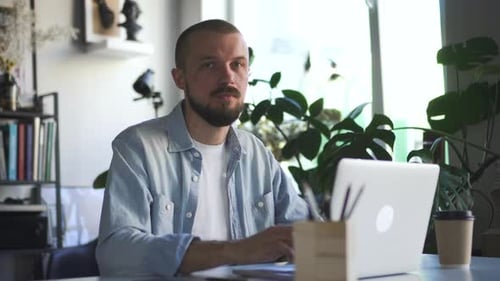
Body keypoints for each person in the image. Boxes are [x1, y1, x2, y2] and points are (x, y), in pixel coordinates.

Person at [96, 19, 308, 277]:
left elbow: (305, 229)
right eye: (209, 65)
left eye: (238, 64)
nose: (228, 76)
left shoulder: (257, 153)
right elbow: (116, 251)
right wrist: (236, 251)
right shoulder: (138, 147)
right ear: (180, 78)